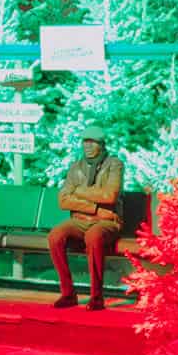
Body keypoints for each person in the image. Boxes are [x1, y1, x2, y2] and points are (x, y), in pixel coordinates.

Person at [47, 125, 125, 311]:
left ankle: (96, 297)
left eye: (92, 142)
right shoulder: (76, 167)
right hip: (81, 219)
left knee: (93, 236)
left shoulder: (114, 164)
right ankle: (68, 293)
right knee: (55, 236)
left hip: (107, 221)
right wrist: (95, 209)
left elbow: (110, 196)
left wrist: (79, 191)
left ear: (102, 144)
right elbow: (64, 200)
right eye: (85, 141)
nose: (87, 146)